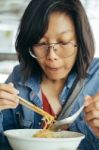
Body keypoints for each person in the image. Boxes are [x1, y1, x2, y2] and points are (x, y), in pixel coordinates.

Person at [0, 0, 99, 149]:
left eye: (64, 42)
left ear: (81, 41)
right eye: (40, 43)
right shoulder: (18, 79)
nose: (51, 55)